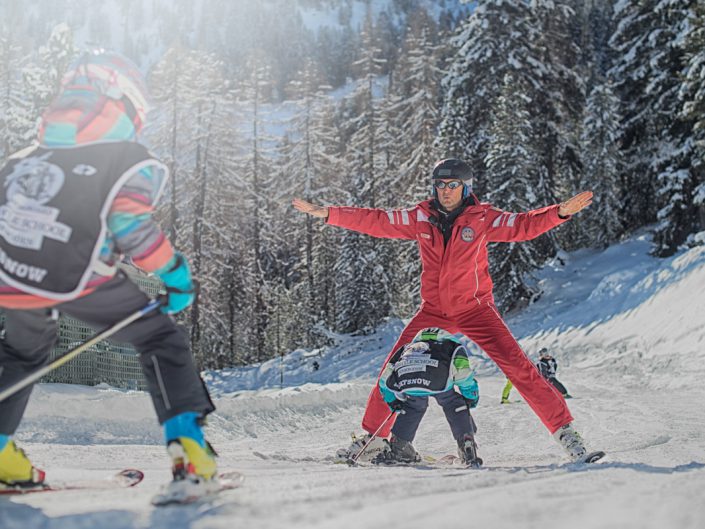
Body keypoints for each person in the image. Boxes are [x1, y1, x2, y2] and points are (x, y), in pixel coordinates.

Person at [0, 51, 218, 495]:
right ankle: (191, 454)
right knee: (159, 338)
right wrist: (175, 275)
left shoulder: (23, 157)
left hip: (11, 274)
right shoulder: (127, 157)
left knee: (23, 353)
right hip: (74, 274)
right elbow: (130, 228)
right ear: (124, 103)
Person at [293, 157, 596, 462]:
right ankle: (373, 439)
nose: (446, 191)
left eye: (453, 185)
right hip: (433, 312)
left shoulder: (483, 218)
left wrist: (558, 213)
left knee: (519, 368)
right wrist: (329, 213)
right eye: (440, 185)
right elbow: (378, 220)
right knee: (394, 367)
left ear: (466, 188)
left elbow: (522, 225)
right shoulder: (421, 217)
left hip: (475, 309)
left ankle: (566, 433)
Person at [373, 328, 482, 467]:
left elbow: (384, 380)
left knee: (413, 406)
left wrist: (393, 401)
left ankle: (399, 446)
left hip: (409, 382)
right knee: (453, 403)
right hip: (438, 380)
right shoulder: (452, 346)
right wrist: (470, 398)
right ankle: (466, 443)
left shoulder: (406, 348)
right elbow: (464, 376)